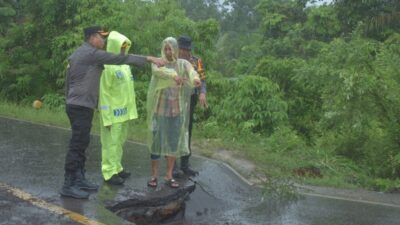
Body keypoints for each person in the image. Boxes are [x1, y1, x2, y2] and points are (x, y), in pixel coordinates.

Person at [61, 26, 165, 199]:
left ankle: (79, 179)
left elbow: (68, 80)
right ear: (92, 37)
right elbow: (118, 58)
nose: (103, 41)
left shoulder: (82, 54)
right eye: (101, 38)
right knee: (77, 146)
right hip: (79, 105)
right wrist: (150, 59)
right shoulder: (90, 53)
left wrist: (69, 99)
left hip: (81, 105)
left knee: (82, 145)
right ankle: (68, 184)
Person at [146, 37, 200, 188]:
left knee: (173, 143)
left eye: (171, 49)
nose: (168, 52)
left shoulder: (183, 63)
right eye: (166, 49)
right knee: (157, 143)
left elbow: (191, 71)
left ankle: (169, 175)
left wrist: (195, 79)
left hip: (176, 111)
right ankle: (154, 175)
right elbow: (159, 72)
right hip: (160, 110)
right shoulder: (158, 62)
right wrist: (173, 76)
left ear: (175, 50)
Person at [98, 31, 138, 185]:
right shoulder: (107, 67)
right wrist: (106, 116)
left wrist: (131, 111)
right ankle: (109, 172)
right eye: (121, 47)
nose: (123, 51)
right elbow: (104, 94)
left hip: (124, 113)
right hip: (112, 114)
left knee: (119, 142)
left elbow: (129, 91)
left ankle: (117, 168)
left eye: (125, 48)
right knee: (110, 144)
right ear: (114, 46)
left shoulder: (125, 66)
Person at [173, 36, 207, 177]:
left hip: (190, 99)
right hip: (173, 99)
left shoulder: (196, 61)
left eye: (186, 50)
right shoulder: (171, 59)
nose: (184, 52)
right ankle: (173, 167)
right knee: (174, 131)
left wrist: (202, 93)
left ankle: (185, 165)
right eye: (181, 49)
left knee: (187, 130)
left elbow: (203, 79)